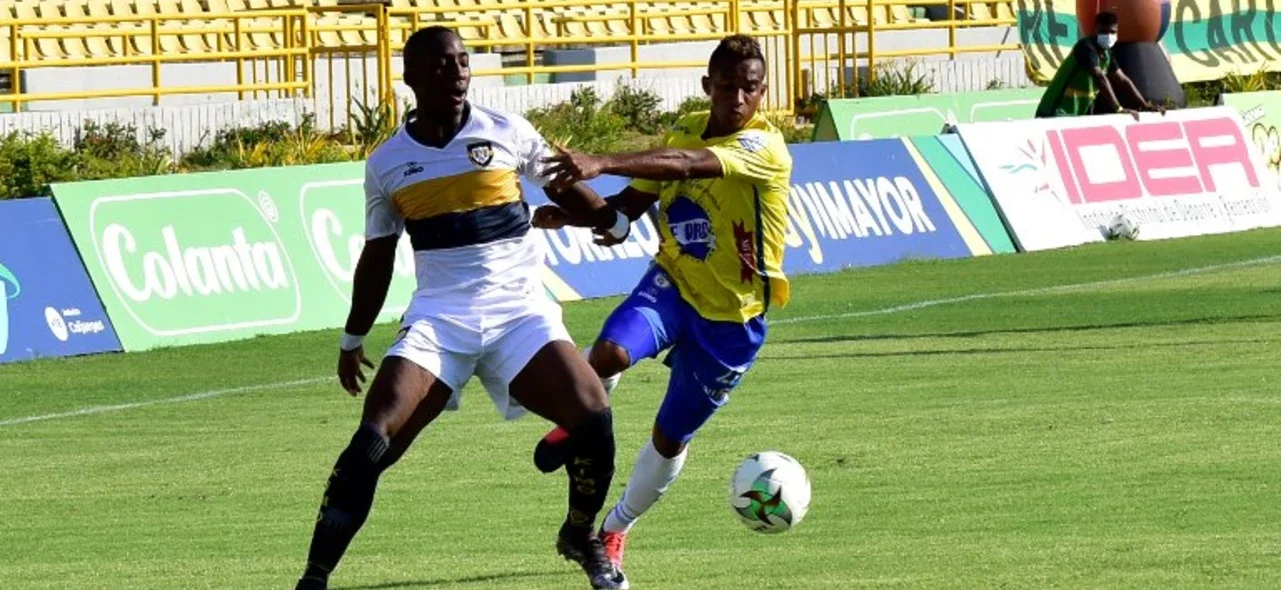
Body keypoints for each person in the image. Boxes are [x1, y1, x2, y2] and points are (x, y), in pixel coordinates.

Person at [294, 26, 629, 590]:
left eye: (463, 62)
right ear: (411, 78)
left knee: (594, 418)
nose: (457, 74)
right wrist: (352, 340)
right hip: (439, 317)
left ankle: (580, 533)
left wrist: (610, 220)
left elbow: (561, 184)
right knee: (371, 442)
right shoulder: (387, 163)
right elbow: (377, 257)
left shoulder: (506, 131)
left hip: (519, 310)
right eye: (442, 65)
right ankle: (314, 577)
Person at [530, 34, 793, 587]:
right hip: (673, 282)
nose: (739, 98)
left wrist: (601, 159)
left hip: (733, 321)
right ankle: (573, 421)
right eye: (728, 87)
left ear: (763, 93)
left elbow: (688, 165)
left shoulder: (765, 148)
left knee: (669, 437)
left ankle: (614, 529)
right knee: (610, 352)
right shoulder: (684, 131)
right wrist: (571, 216)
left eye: (751, 88)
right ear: (708, 87)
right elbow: (629, 208)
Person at [1035, 11, 1162, 118]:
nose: (1108, 35)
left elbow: (1123, 80)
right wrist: (1118, 108)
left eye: (1112, 32)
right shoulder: (1085, 47)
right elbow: (1099, 77)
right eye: (1104, 31)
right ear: (1096, 29)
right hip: (1054, 110)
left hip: (1077, 113)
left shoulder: (1107, 55)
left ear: (1117, 32)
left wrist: (1145, 105)